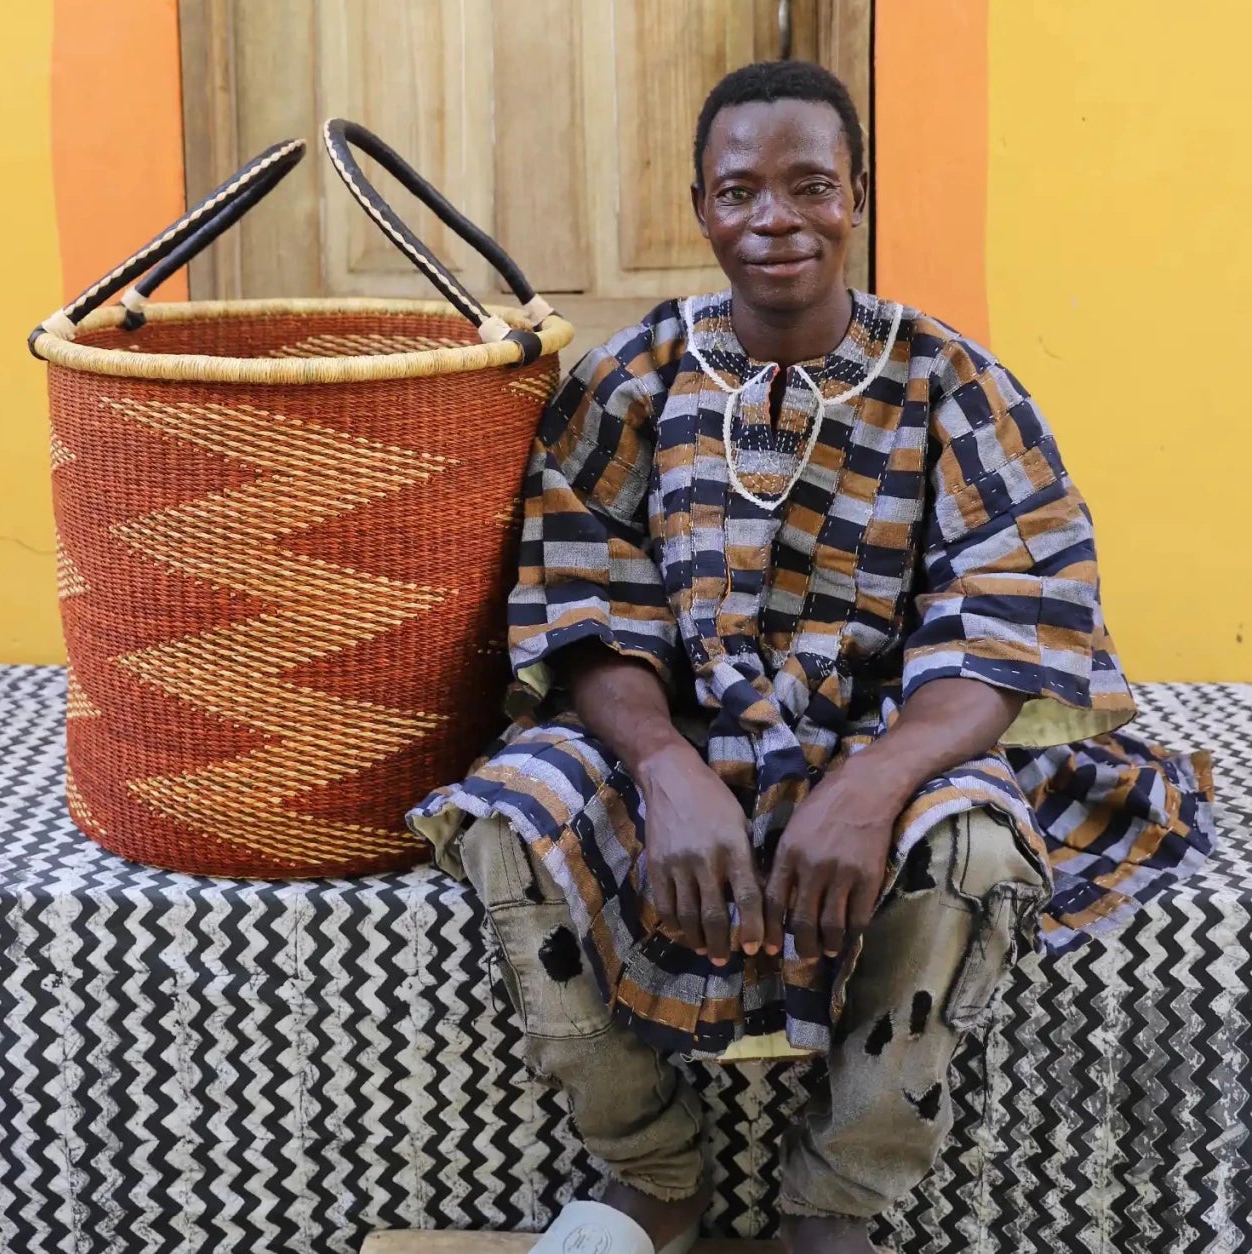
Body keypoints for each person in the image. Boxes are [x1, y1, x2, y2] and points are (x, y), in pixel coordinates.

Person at [409, 61, 1214, 1254]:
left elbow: (1013, 618)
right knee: (509, 816)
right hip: (682, 733)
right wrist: (665, 769)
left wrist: (872, 783)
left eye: (811, 186)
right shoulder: (633, 380)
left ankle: (837, 1200)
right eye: (740, 192)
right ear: (700, 207)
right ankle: (652, 1171)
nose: (775, 219)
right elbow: (583, 602)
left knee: (976, 847)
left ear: (859, 197)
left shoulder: (953, 383)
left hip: (896, 737)